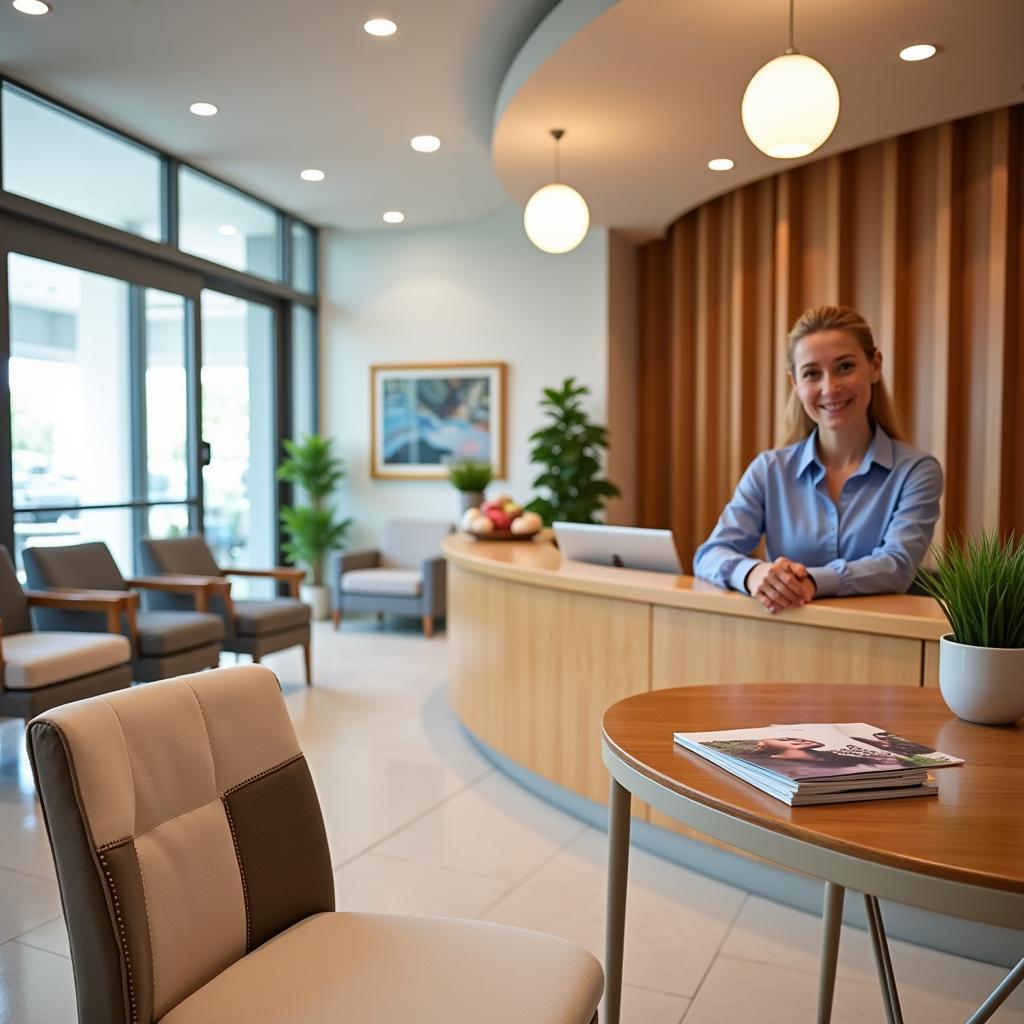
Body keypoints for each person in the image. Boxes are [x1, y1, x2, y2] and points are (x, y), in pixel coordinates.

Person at [693, 305, 943, 613]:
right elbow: (710, 554)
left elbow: (896, 565)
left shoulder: (917, 473)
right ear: (795, 384)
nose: (830, 388)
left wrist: (812, 580)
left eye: (844, 367)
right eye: (812, 373)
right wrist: (754, 574)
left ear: (875, 366)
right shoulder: (768, 471)